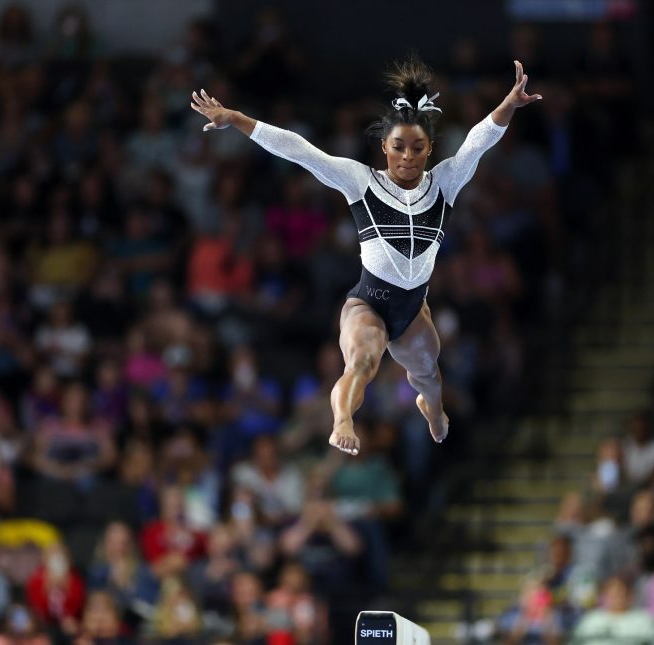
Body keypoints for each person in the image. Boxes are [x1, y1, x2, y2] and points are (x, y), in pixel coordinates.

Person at [191, 54, 541, 455]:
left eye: (417, 148)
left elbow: (477, 142)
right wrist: (235, 118)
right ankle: (343, 419)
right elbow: (300, 150)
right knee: (362, 362)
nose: (408, 156)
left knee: (428, 374)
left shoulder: (444, 183)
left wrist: (509, 104)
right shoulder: (361, 182)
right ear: (383, 147)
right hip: (368, 304)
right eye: (399, 147)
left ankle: (432, 407)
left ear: (430, 149)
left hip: (412, 307)